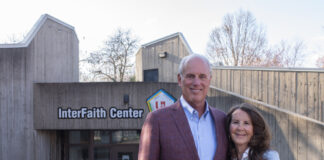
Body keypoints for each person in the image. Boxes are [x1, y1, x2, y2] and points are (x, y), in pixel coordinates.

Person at [138, 54, 228, 160]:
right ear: (180, 79)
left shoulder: (222, 119)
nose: (197, 82)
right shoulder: (157, 120)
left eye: (202, 76)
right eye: (190, 76)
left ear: (209, 80)